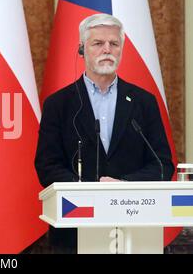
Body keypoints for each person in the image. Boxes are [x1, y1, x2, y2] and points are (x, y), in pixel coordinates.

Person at [34, 13, 174, 252]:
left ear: (121, 49)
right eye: (98, 43)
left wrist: (122, 185)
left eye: (114, 43)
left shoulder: (143, 102)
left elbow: (162, 165)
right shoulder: (59, 104)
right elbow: (47, 166)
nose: (106, 49)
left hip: (135, 230)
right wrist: (95, 192)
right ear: (82, 49)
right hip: (75, 232)